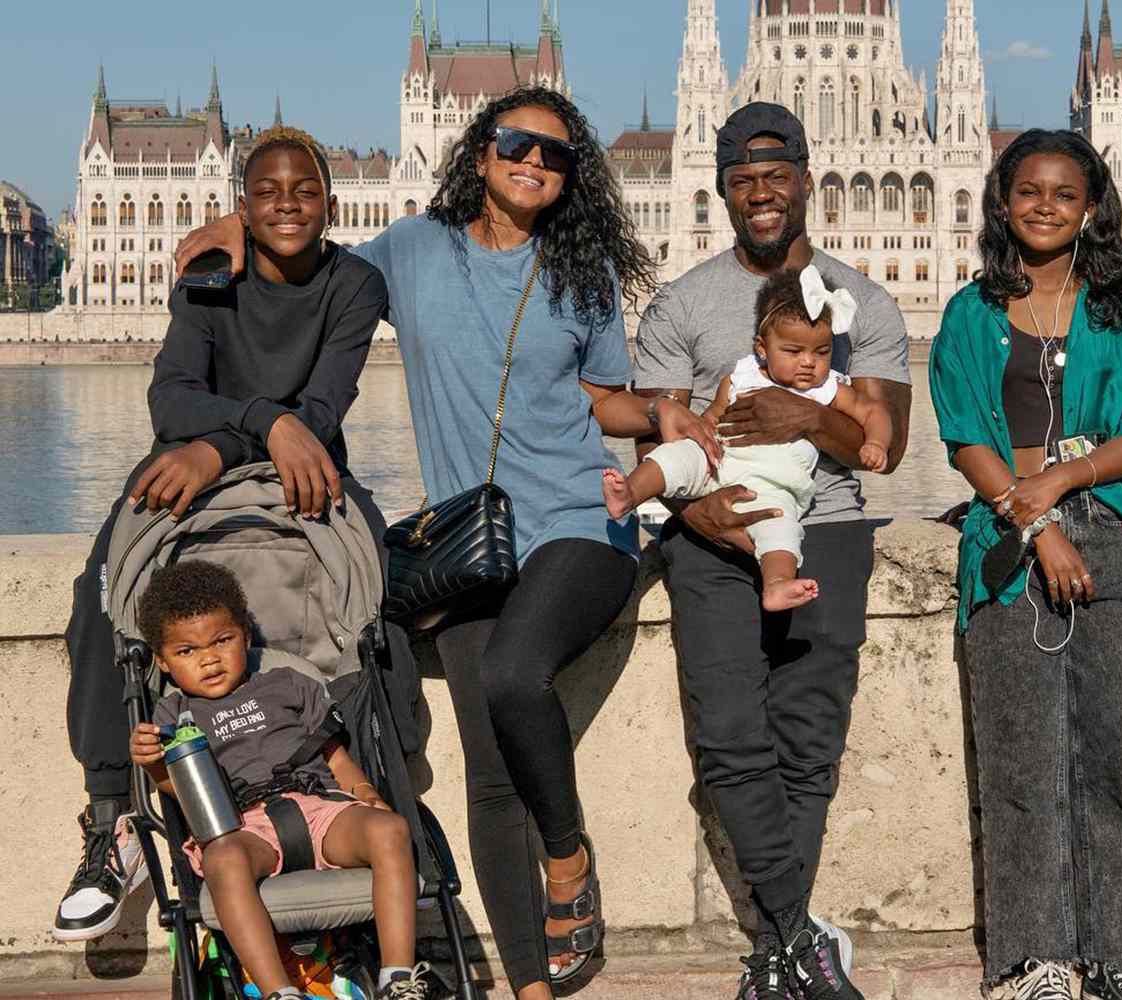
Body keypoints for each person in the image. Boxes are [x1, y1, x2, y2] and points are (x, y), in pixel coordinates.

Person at [176, 87, 717, 999]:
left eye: (554, 155)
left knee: (513, 675)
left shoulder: (577, 273)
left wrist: (661, 410)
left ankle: (569, 855)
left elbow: (602, 398)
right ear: (479, 152)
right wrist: (235, 221)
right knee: (488, 777)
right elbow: (309, 258)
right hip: (473, 538)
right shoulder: (416, 252)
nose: (534, 163)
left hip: (581, 521)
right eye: (517, 144)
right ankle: (531, 987)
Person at [55, 126, 398, 943]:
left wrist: (250, 435)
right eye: (268, 192)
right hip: (190, 466)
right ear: (241, 207)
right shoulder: (210, 277)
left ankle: (378, 786)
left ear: (330, 202)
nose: (288, 203)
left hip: (303, 471)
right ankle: (115, 824)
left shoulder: (356, 285)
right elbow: (170, 399)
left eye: (304, 190)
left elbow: (322, 412)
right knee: (98, 598)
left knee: (377, 592)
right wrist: (248, 430)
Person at [633, 102, 911, 1000]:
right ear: (720, 188)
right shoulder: (681, 305)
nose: (761, 192)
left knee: (809, 741)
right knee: (728, 739)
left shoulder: (862, 301)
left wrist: (806, 416)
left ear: (805, 178)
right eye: (743, 178)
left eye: (776, 174)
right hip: (711, 538)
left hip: (825, 529)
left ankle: (776, 951)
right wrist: (702, 514)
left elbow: (890, 442)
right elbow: (658, 440)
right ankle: (798, 940)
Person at [930, 129, 1122, 1000]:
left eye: (1064, 194)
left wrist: (1066, 479)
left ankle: (1118, 960)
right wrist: (1036, 522)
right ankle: (1032, 961)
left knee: (1114, 756)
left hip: (1109, 526)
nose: (1044, 206)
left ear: (1092, 208)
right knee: (1021, 759)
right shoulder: (968, 313)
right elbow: (964, 436)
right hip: (1005, 536)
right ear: (1003, 202)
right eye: (1028, 191)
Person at [129, 561, 427, 1000]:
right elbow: (182, 792)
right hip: (242, 825)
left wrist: (365, 794)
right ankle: (279, 992)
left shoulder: (288, 683)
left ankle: (398, 977)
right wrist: (155, 765)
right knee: (223, 860)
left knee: (391, 830)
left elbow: (334, 755)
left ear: (246, 636)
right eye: (187, 651)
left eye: (222, 641)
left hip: (320, 807)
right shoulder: (173, 716)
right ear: (163, 662)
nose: (208, 658)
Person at [605, 265, 893, 611]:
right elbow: (711, 416)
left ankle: (777, 585)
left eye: (821, 352)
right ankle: (630, 493)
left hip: (775, 485)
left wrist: (875, 443)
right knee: (674, 458)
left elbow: (874, 411)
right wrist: (702, 436)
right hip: (718, 462)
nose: (808, 363)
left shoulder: (828, 388)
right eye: (793, 351)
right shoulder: (740, 376)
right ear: (762, 348)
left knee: (781, 531)